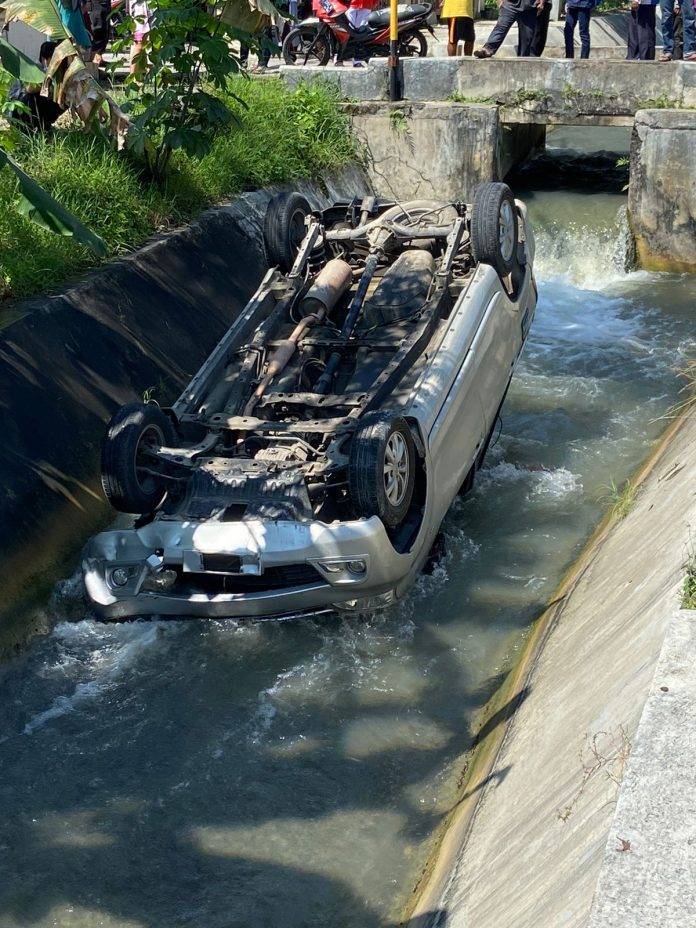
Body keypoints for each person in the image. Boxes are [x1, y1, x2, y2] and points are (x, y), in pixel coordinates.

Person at [8, 41, 65, 132]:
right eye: (54, 59)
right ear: (44, 59)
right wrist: (50, 85)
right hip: (17, 111)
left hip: (31, 109)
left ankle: (44, 125)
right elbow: (29, 89)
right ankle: (34, 127)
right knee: (36, 96)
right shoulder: (33, 69)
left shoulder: (55, 72)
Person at [474, 0, 545, 58]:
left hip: (529, 7)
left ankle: (523, 59)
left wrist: (542, 2)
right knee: (501, 28)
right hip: (510, 4)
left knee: (527, 37)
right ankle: (487, 49)